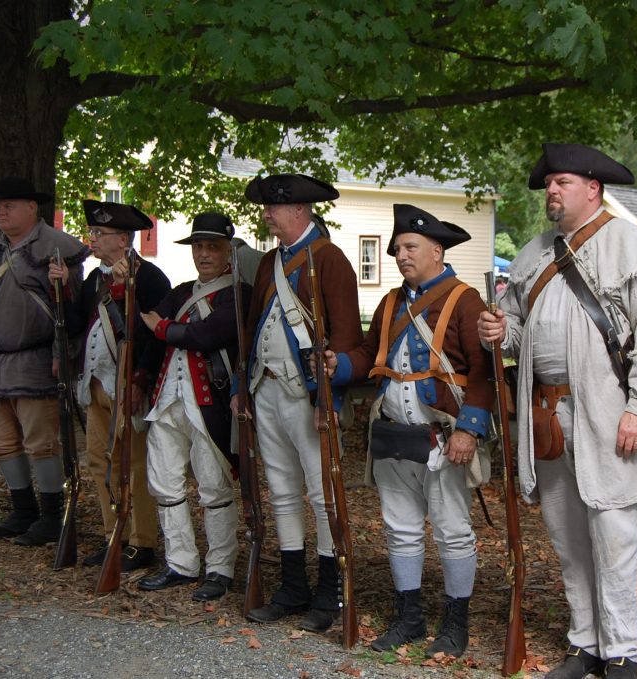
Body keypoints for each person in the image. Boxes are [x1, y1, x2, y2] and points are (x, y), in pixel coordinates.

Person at [477, 143, 637, 679]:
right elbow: (516, 327)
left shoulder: (633, 247)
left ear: (593, 188)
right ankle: (585, 643)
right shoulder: (535, 252)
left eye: (562, 182)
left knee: (614, 540)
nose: (552, 190)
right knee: (567, 538)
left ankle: (622, 653)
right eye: (549, 184)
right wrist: (500, 331)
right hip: (546, 418)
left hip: (610, 416)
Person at [321, 204, 492, 658]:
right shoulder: (392, 302)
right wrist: (341, 366)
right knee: (400, 529)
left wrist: (469, 430)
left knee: (453, 530)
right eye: (397, 249)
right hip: (393, 434)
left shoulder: (465, 299)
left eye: (410, 247)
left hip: (443, 437)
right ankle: (409, 617)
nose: (400, 255)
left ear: (437, 251)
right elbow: (365, 353)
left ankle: (455, 623)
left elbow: (485, 370)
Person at [235, 173, 363, 633]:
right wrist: (239, 387)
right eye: (266, 206)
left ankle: (329, 592)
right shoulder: (270, 261)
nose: (267, 214)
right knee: (283, 491)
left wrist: (331, 398)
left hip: (308, 395)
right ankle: (292, 587)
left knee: (321, 492)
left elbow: (347, 335)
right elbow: (250, 328)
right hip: (265, 389)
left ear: (299, 211)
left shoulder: (330, 260)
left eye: (274, 207)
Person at [49, 200, 171, 571]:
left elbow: (151, 337)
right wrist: (64, 289)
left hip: (127, 384)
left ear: (122, 239)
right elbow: (74, 327)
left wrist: (140, 379)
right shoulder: (93, 280)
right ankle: (112, 534)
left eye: (99, 234)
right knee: (99, 460)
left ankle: (141, 541)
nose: (93, 240)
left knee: (132, 463)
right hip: (96, 383)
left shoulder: (149, 278)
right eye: (93, 233)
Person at [0, 176, 89, 546]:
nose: (0, 211)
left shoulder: (58, 248)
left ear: (32, 208)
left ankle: (53, 517)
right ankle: (23, 511)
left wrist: (61, 355)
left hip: (38, 360)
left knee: (41, 443)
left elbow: (72, 309)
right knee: (2, 441)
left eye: (9, 205)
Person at [136, 212, 250, 602]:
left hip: (211, 404)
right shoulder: (182, 292)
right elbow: (145, 330)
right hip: (167, 400)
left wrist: (165, 329)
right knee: (165, 483)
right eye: (199, 246)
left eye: (212, 246)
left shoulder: (238, 293)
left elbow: (208, 333)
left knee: (214, 487)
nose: (204, 254)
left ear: (227, 252)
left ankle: (220, 569)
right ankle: (181, 563)